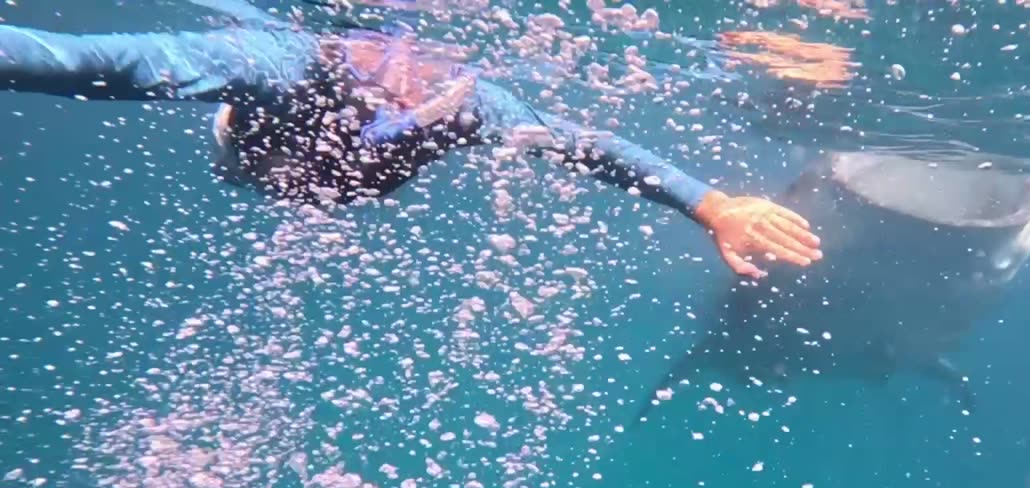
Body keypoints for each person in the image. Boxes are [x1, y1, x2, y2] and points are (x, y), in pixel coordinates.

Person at [0, 1, 821, 279]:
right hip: (265, 159)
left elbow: (590, 146)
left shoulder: (469, 103)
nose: (421, 66)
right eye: (395, 45)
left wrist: (712, 205)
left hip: (362, 177)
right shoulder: (274, 59)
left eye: (435, 52)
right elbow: (86, 61)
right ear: (355, 38)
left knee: (440, 130)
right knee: (271, 141)